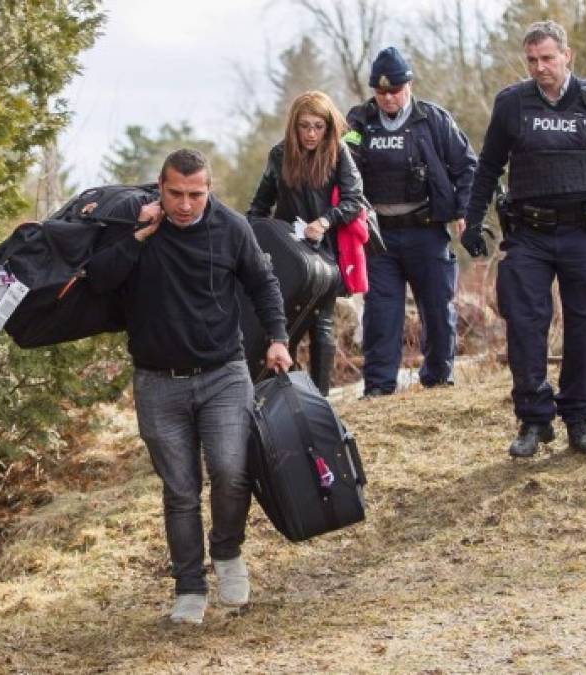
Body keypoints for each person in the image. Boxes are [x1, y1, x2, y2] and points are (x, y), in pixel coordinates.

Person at [87, 149, 293, 625]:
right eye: (176, 194)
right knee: (180, 490)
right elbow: (99, 279)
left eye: (196, 194)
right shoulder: (135, 225)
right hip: (158, 382)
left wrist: (278, 339)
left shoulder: (231, 227)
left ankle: (227, 552)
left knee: (230, 470)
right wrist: (138, 235)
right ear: (160, 187)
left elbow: (264, 283)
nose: (185, 204)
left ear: (209, 188)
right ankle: (189, 587)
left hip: (223, 373)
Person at [460, 20, 586, 458]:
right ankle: (533, 420)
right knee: (525, 324)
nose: (540, 67)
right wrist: (472, 222)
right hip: (529, 235)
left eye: (548, 58)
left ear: (568, 56)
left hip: (583, 234)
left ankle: (580, 418)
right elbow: (487, 166)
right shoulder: (512, 104)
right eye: (532, 60)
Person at [345, 47, 477, 397]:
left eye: (395, 90)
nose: (388, 98)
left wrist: (465, 212)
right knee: (381, 314)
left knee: (436, 308)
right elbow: (342, 166)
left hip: (427, 231)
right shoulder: (359, 123)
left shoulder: (432, 120)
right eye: (381, 91)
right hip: (379, 239)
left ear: (410, 84)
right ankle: (378, 386)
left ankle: (437, 378)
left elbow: (467, 167)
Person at [247, 90, 366, 396]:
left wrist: (326, 220)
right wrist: (253, 243)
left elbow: (355, 200)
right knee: (284, 326)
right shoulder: (280, 154)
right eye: (305, 126)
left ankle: (321, 398)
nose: (311, 133)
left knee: (321, 324)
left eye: (318, 126)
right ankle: (284, 397)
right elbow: (259, 207)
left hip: (325, 252)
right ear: (294, 126)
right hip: (287, 254)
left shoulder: (338, 152)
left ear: (328, 126)